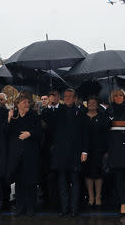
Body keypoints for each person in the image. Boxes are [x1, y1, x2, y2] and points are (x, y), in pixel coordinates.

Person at [50, 88, 88, 217]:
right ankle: (65, 208)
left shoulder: (81, 112)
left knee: (75, 182)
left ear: (75, 98)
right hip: (61, 153)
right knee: (62, 183)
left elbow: (85, 134)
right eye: (65, 96)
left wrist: (84, 151)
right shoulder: (57, 111)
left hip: (75, 153)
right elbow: (51, 127)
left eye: (70, 96)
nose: (67, 98)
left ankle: (74, 209)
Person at [6, 95, 42, 216]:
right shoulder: (14, 116)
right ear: (18, 104)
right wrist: (9, 119)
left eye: (28, 102)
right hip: (16, 155)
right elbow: (6, 133)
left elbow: (40, 133)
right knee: (19, 182)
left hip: (30, 155)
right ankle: (20, 207)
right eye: (24, 102)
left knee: (30, 182)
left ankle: (31, 207)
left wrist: (30, 133)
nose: (27, 104)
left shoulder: (34, 115)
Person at [83, 96, 108, 208]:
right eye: (90, 102)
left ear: (97, 105)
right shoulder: (82, 117)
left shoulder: (102, 117)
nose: (92, 104)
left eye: (94, 103)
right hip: (86, 150)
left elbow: (106, 133)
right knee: (88, 174)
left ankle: (98, 196)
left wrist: (106, 150)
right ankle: (91, 196)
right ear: (87, 104)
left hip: (99, 149)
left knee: (98, 173)